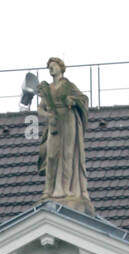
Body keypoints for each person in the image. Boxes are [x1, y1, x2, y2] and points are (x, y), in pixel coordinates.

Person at [36, 58, 94, 216]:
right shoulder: (48, 89)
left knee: (68, 154)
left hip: (68, 120)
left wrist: (73, 100)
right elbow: (40, 108)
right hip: (54, 122)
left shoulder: (68, 85)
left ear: (61, 68)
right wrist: (48, 115)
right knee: (52, 156)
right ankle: (49, 191)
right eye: (49, 67)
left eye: (53, 66)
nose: (51, 69)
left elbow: (83, 99)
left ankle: (68, 190)